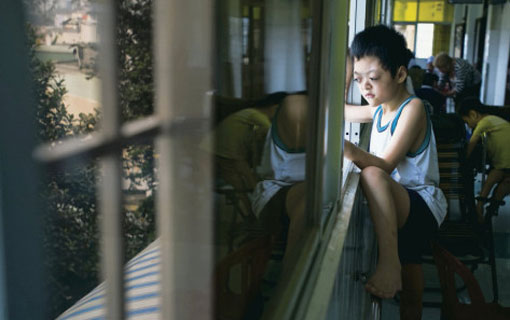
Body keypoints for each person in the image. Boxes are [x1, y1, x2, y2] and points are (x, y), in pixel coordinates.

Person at [344, 25, 447, 319]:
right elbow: (338, 110)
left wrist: (350, 151)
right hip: (397, 202)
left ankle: (389, 263)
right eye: (358, 79)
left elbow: (385, 166)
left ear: (400, 75)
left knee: (373, 174)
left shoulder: (413, 108)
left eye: (373, 78)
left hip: (422, 202)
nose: (364, 87)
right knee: (412, 280)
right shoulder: (379, 108)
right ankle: (399, 275)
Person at [204, 92, 288, 217]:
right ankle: (257, 212)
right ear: (275, 107)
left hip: (218, 150)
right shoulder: (255, 114)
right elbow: (271, 132)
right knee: (248, 182)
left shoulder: (249, 113)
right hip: (226, 151)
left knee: (240, 184)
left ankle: (251, 213)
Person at [458, 97, 510, 223]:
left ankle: (480, 205)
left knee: (492, 179)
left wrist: (464, 159)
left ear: (473, 114)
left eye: (466, 122)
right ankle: (492, 209)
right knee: (506, 183)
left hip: (503, 161)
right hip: (505, 160)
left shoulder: (485, 122)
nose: (468, 125)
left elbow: (473, 141)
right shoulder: (496, 120)